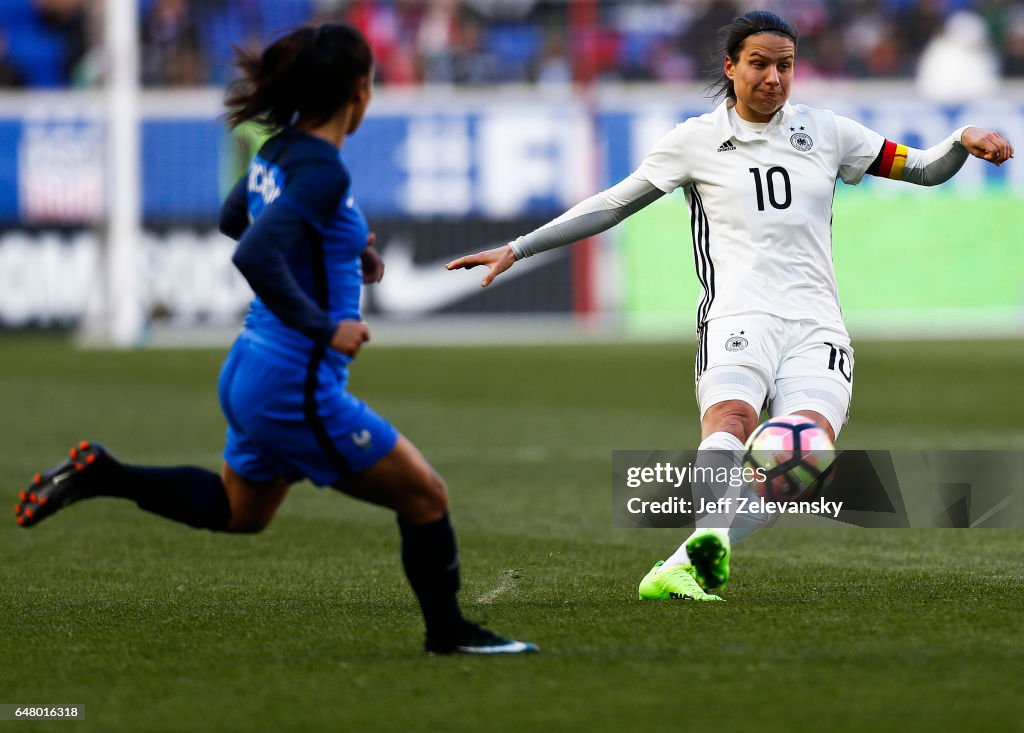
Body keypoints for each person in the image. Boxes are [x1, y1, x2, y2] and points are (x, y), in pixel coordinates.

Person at [446, 10, 1014, 602]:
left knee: (804, 460)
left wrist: (961, 140)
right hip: (738, 316)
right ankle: (709, 537)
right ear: (731, 67)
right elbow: (612, 205)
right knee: (732, 423)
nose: (773, 78)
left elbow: (922, 169)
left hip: (816, 324)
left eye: (785, 65)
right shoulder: (695, 140)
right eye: (760, 64)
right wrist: (517, 247)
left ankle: (685, 561)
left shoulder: (828, 132)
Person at [15, 22, 537, 655]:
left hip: (250, 368)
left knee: (243, 512)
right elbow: (256, 251)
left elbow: (236, 217)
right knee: (425, 494)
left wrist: (352, 250)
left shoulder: (280, 150)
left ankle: (106, 473)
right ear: (358, 91)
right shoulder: (322, 172)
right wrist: (325, 325)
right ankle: (450, 635)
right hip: (296, 382)